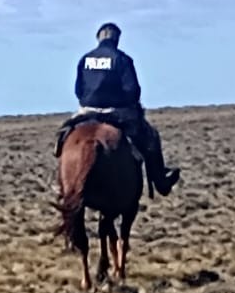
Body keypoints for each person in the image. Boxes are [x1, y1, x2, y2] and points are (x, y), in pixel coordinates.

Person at [59, 23, 180, 196]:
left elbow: (78, 89)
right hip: (116, 111)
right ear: (117, 39)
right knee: (150, 136)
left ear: (98, 38)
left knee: (63, 136)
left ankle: (63, 184)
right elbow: (132, 90)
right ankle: (161, 180)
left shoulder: (85, 59)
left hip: (87, 110)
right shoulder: (122, 59)